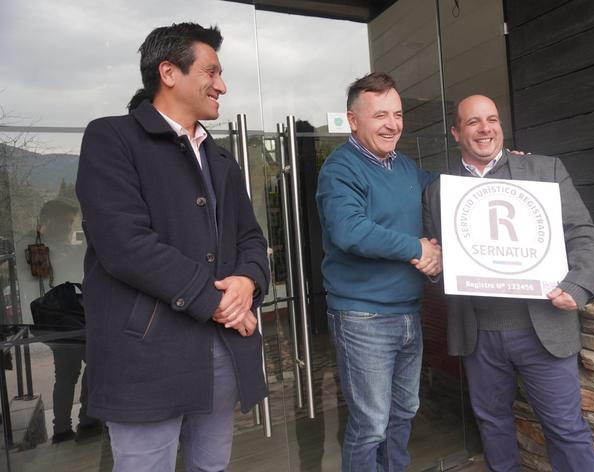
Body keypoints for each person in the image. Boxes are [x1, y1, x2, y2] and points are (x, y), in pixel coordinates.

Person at [76, 22, 269, 471]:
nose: (222, 86)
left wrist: (247, 281)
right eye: (211, 72)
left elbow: (251, 238)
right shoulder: (111, 138)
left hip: (221, 351)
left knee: (211, 466)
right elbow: (124, 244)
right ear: (168, 72)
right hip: (147, 359)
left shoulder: (219, 157)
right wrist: (218, 301)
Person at [423, 95, 594, 472]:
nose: (485, 129)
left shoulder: (544, 170)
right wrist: (434, 265)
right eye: (473, 122)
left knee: (566, 429)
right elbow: (438, 256)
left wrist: (578, 286)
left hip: (543, 325)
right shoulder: (439, 192)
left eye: (492, 119)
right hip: (479, 333)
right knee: (493, 427)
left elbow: (583, 234)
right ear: (456, 132)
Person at [316, 72, 442, 472]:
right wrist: (417, 249)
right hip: (363, 317)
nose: (392, 124)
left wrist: (502, 169)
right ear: (353, 120)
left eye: (398, 114)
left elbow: (446, 191)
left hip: (407, 313)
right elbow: (350, 231)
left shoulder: (404, 167)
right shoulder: (340, 169)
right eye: (380, 115)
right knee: (370, 425)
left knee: (403, 413)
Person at [17, 199, 99, 443]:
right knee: (78, 370)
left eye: (69, 224)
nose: (67, 228)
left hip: (71, 321)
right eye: (64, 223)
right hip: (61, 322)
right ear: (46, 222)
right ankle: (75, 424)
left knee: (78, 371)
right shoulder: (34, 247)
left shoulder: (61, 248)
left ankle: (72, 424)